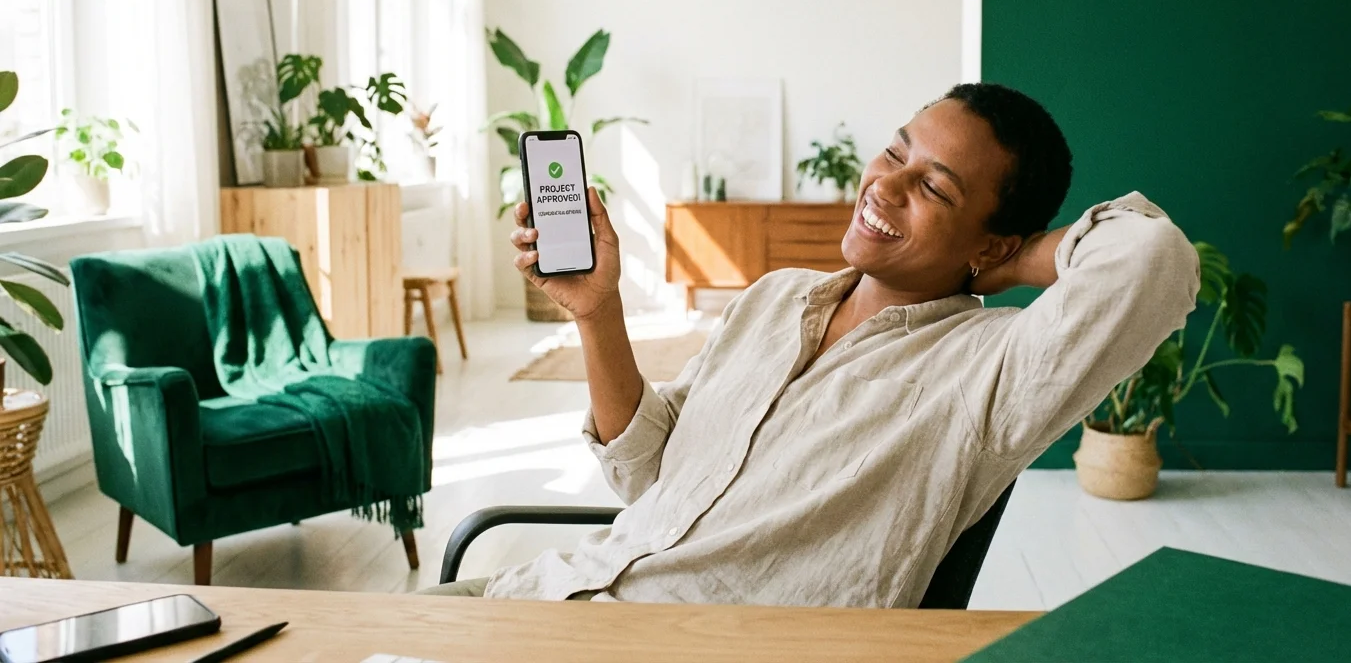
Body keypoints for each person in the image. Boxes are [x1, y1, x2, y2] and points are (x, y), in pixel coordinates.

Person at [424, 83, 1200, 606]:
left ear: (993, 240)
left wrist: (1015, 262)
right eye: (895, 153)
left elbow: (1154, 260)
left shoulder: (990, 370)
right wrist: (599, 312)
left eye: (934, 187)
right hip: (566, 589)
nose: (885, 186)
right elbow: (649, 476)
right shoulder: (774, 298)